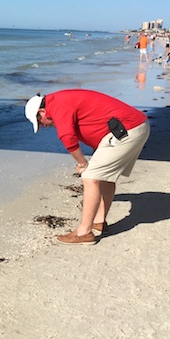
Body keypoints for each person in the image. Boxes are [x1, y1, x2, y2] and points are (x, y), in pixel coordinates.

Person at [25, 89, 150, 245]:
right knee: (103, 177)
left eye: (40, 121)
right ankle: (99, 222)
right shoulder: (59, 100)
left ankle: (84, 232)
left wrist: (82, 163)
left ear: (42, 111)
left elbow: (67, 137)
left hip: (127, 129)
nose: (42, 126)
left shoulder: (57, 105)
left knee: (90, 176)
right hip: (130, 128)